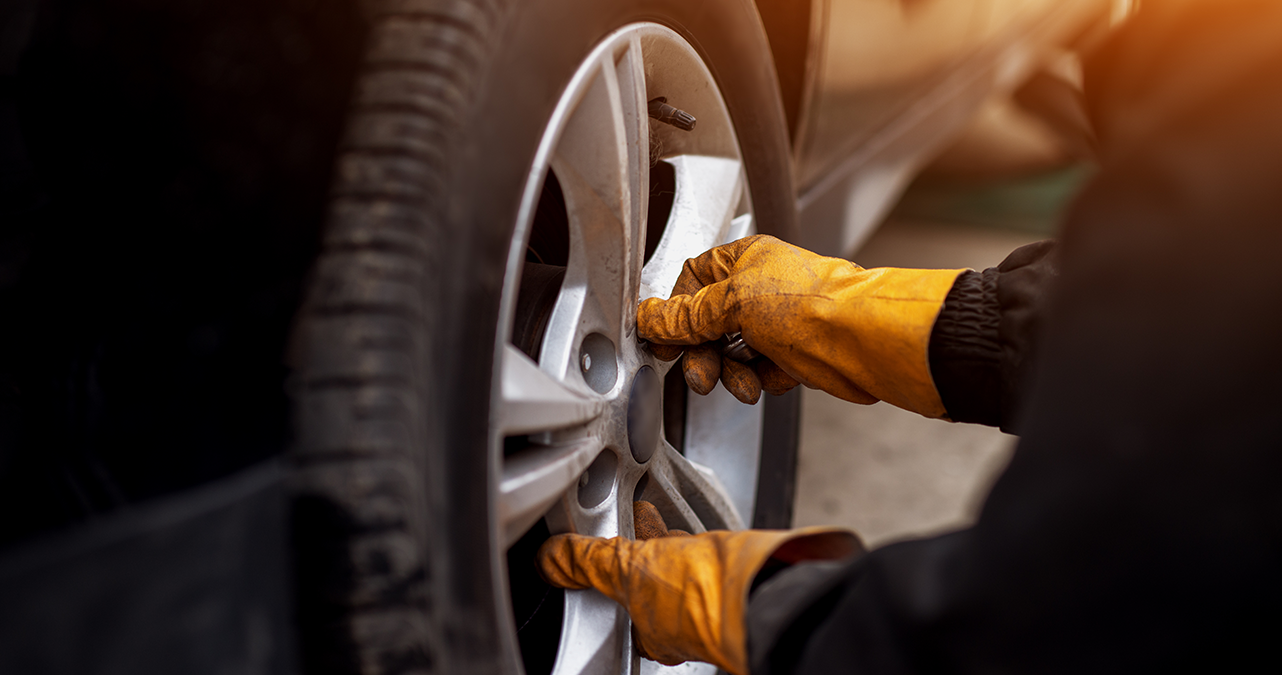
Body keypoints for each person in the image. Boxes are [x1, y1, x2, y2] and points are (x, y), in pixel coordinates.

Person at [535, 1, 1282, 672]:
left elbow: (1065, 621)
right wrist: (863, 317)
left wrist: (773, 612)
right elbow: (1215, 333)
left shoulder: (1238, 61)